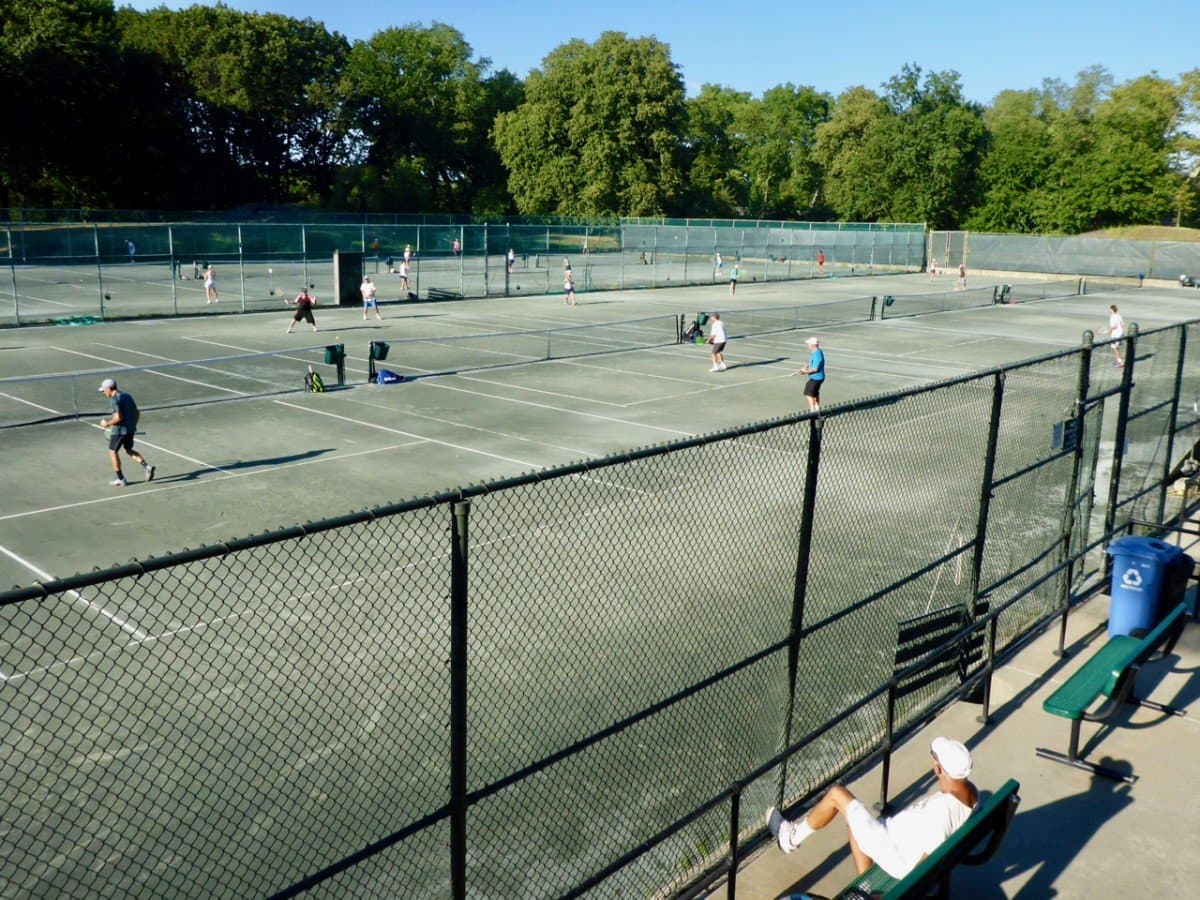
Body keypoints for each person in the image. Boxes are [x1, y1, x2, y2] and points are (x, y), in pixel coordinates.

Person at [766, 737, 978, 881]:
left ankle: (790, 839)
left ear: (939, 769)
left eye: (934, 757)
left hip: (896, 853)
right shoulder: (972, 795)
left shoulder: (941, 816)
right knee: (856, 824)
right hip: (898, 838)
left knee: (837, 794)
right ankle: (865, 886)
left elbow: (921, 872)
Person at [98, 378, 155, 486]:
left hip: (119, 430)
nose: (103, 393)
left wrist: (107, 424)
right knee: (128, 449)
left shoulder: (115, 400)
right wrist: (133, 425)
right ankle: (147, 467)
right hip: (129, 429)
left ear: (109, 388)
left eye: (104, 390)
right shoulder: (127, 396)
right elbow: (137, 412)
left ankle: (121, 479)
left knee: (112, 452)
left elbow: (118, 417)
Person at [793, 336, 826, 413]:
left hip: (816, 378)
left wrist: (805, 372)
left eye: (809, 344)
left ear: (813, 345)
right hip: (818, 377)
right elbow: (812, 362)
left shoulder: (817, 355)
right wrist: (806, 366)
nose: (808, 345)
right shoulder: (817, 352)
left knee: (808, 394)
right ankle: (817, 409)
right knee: (815, 393)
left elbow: (815, 369)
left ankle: (813, 410)